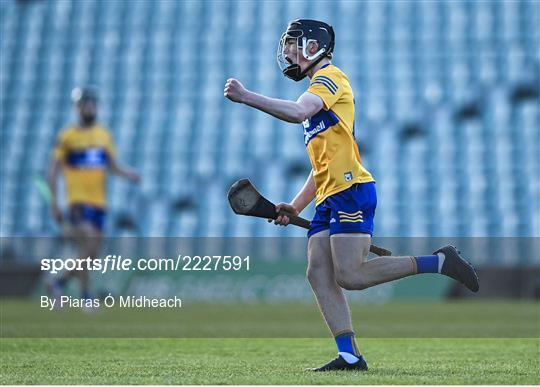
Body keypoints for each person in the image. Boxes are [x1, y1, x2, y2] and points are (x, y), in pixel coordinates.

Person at [224, 19, 480, 371]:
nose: (287, 51)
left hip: (352, 190)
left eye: (293, 43)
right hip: (330, 194)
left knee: (351, 275)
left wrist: (246, 97)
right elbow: (321, 168)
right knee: (318, 273)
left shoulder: (329, 79)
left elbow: (298, 110)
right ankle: (349, 355)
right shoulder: (316, 97)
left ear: (314, 46)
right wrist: (295, 206)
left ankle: (439, 261)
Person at [47, 86, 140, 310]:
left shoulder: (103, 135)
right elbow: (53, 171)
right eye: (85, 105)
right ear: (78, 108)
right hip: (78, 201)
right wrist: (54, 203)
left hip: (99, 203)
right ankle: (70, 288)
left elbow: (112, 165)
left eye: (92, 104)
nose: (90, 108)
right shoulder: (68, 136)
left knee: (91, 253)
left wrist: (128, 174)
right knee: (88, 244)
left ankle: (72, 289)